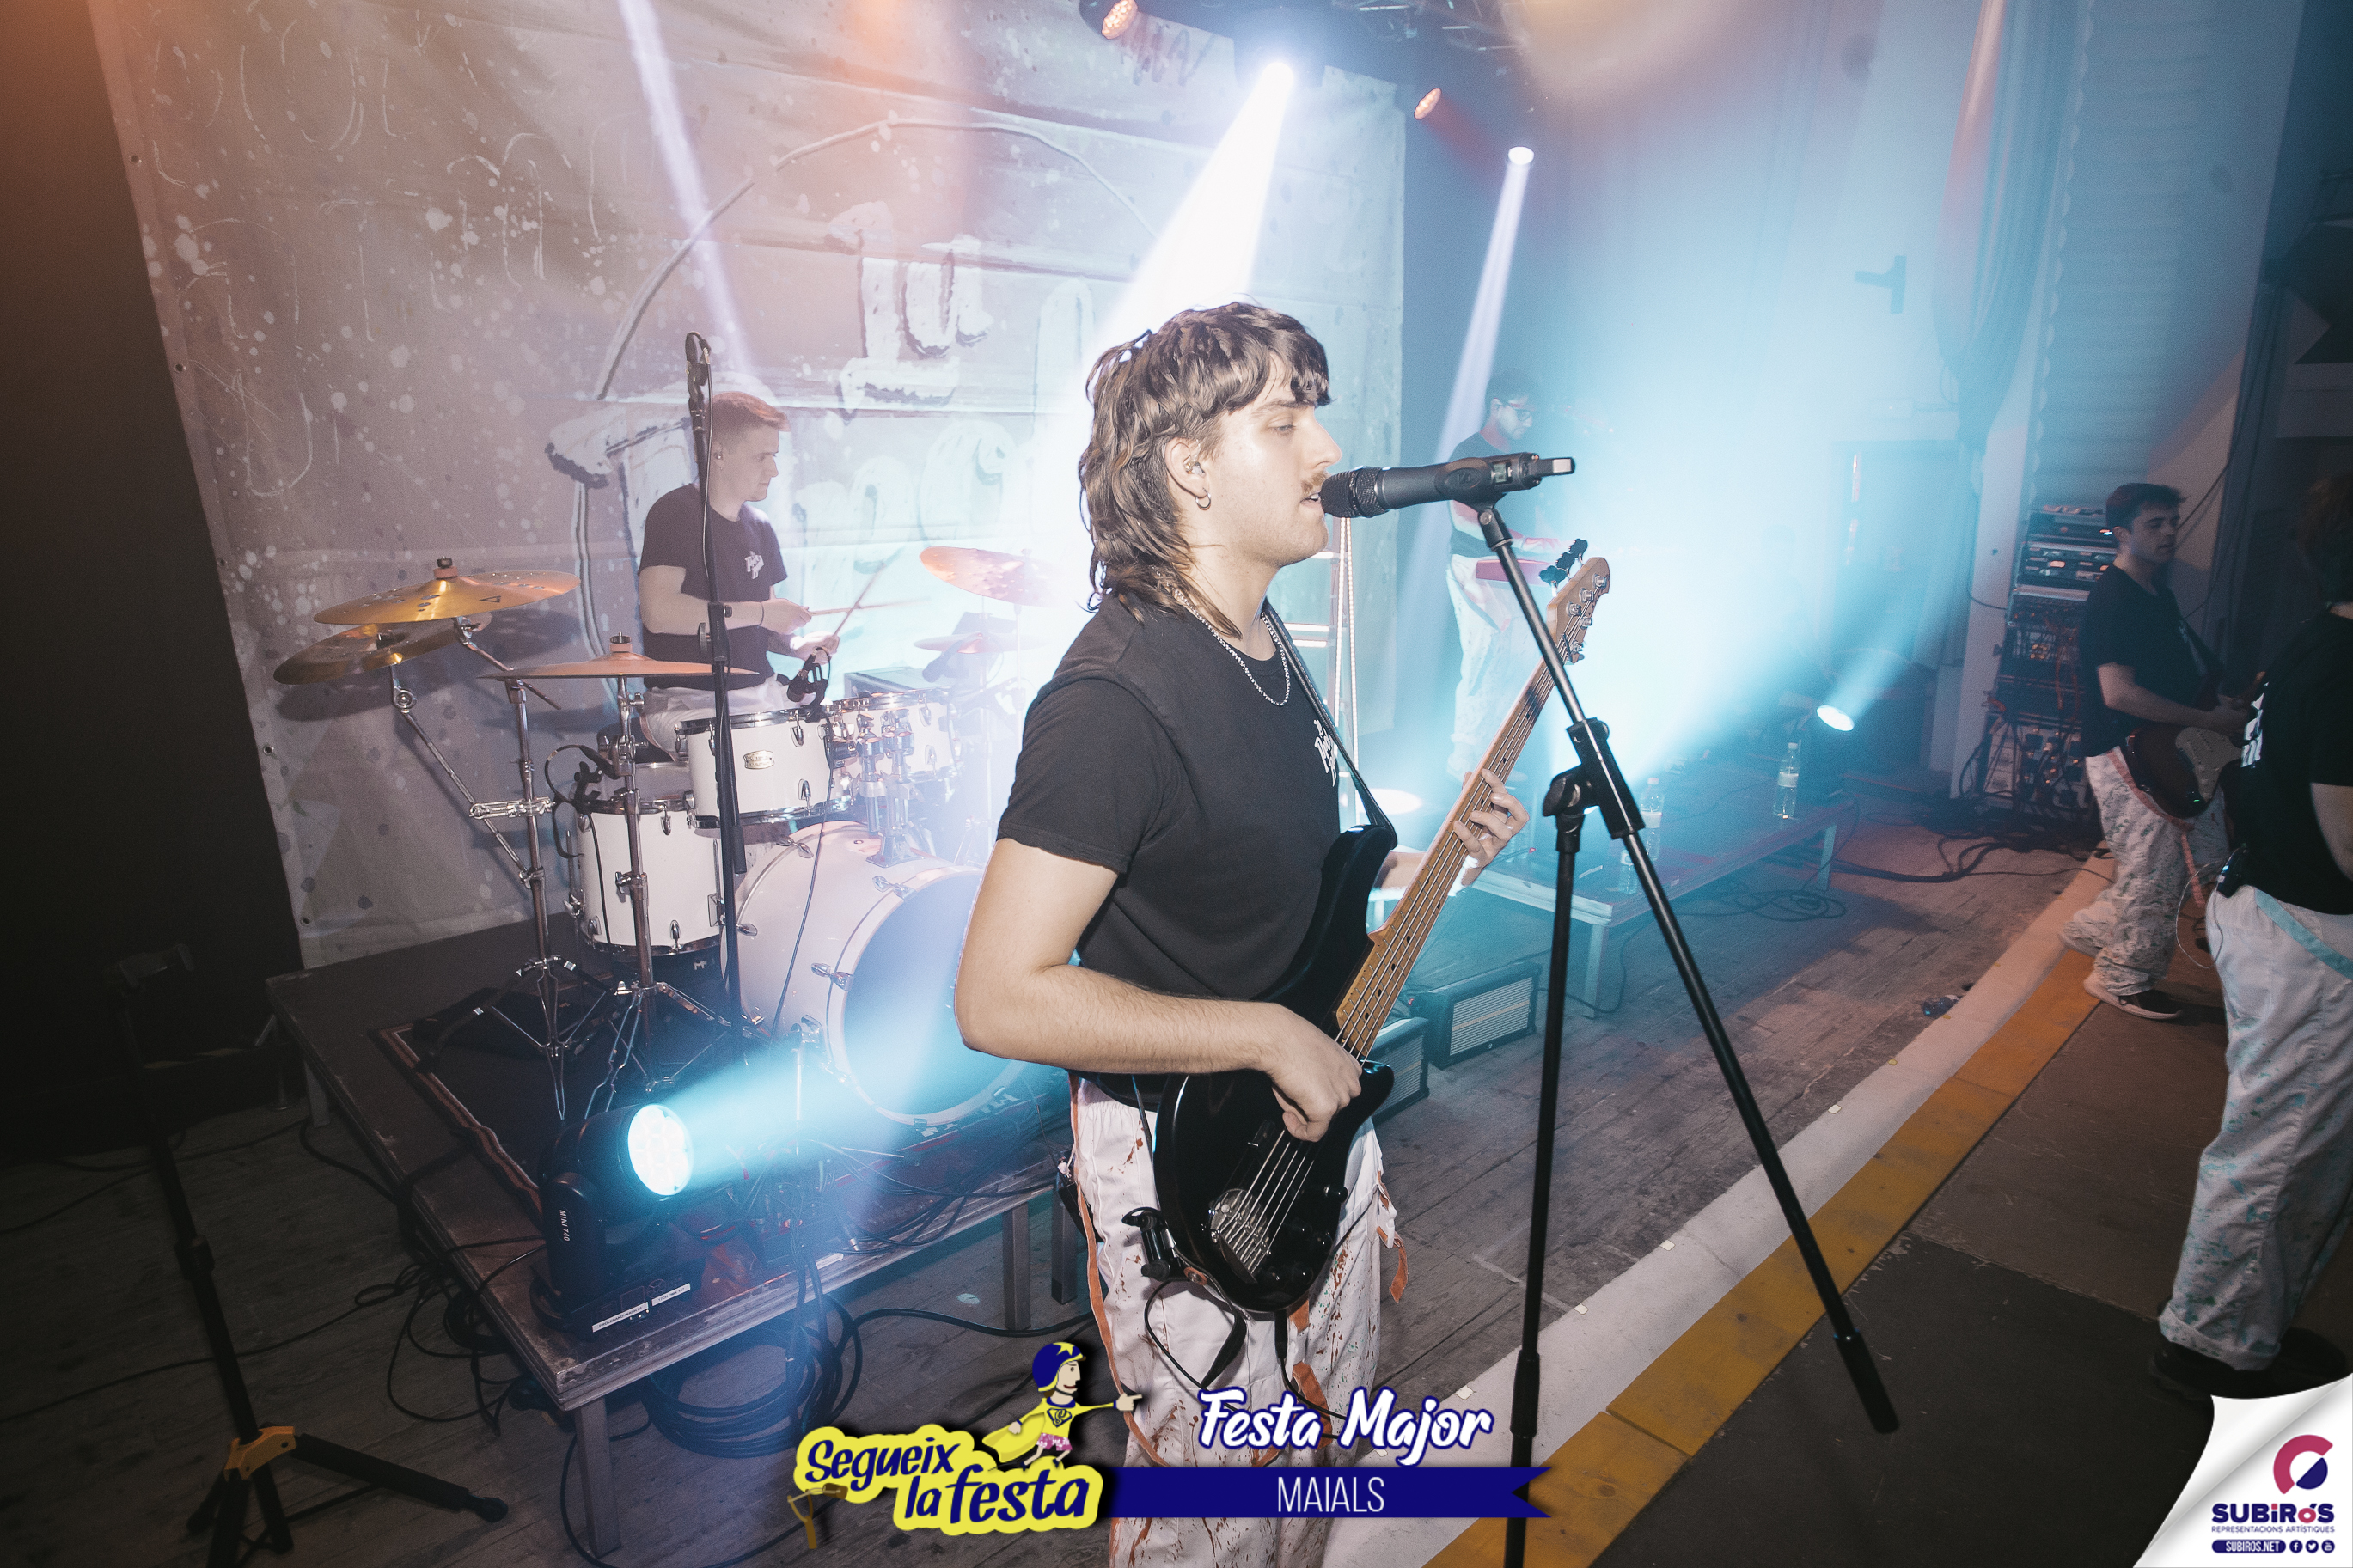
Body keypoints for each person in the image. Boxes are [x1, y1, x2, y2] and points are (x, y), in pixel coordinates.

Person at [954, 304, 1527, 1568]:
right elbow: (997, 995)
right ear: (1189, 466)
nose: (1326, 450)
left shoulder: (1263, 643)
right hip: (1188, 1167)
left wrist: (1423, 861)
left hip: (1308, 1128)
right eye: (1284, 421)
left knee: (1311, 1464)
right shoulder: (1112, 700)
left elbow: (1267, 884)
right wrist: (1264, 1035)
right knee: (1208, 1516)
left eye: (1314, 414)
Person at [2153, 473, 2353, 1400]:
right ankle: (2210, 1343)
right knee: (2280, 1152)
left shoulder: (2318, 642)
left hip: (2275, 912)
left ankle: (2249, 1326)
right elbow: (2347, 840)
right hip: (2306, 932)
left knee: (2299, 1150)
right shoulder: (2345, 664)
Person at [2059, 482, 2246, 1021]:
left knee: (2198, 855)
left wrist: (2216, 704)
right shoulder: (2115, 600)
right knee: (2157, 869)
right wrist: (2210, 720)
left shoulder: (2155, 592)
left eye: (2172, 522)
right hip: (2129, 751)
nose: (2169, 533)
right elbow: (2119, 694)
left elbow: (2171, 673)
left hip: (2165, 744)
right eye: (2155, 524)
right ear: (2122, 533)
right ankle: (2122, 977)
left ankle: (2094, 928)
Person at [634, 391, 836, 753]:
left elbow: (760, 629)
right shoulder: (675, 513)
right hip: (691, 701)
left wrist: (795, 645)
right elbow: (658, 613)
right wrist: (761, 612)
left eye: (774, 456)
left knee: (833, 747)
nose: (773, 470)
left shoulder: (760, 525)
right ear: (718, 454)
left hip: (759, 693)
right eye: (761, 457)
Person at [1445, 369, 1547, 780]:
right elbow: (1462, 518)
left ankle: (1495, 762)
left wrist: (1550, 545)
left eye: (1533, 414)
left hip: (1510, 571)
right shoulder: (1469, 453)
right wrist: (1525, 541)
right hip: (1472, 567)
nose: (1529, 422)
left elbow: (1534, 515)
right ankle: (1462, 758)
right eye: (1522, 413)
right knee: (1485, 653)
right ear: (1496, 406)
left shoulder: (1523, 458)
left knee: (1516, 656)